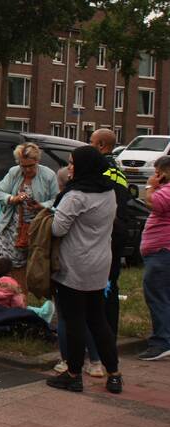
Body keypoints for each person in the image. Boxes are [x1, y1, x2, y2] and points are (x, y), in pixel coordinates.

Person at [46, 145, 123, 394]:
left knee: (74, 321)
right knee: (98, 320)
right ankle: (114, 374)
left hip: (75, 265)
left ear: (83, 166)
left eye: (72, 163)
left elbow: (57, 229)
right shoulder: (109, 192)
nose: (69, 167)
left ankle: (73, 374)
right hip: (100, 264)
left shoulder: (76, 195)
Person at [50, 166, 104, 377]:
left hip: (71, 263)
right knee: (90, 316)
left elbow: (58, 229)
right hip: (98, 262)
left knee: (67, 316)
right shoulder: (105, 194)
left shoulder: (71, 197)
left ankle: (68, 363)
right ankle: (97, 361)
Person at [0, 142, 58, 290]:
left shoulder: (49, 175)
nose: (27, 170)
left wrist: (42, 206)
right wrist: (12, 199)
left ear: (37, 161)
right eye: (23, 166)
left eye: (31, 166)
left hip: (34, 230)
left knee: (21, 268)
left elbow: (57, 200)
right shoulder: (14, 172)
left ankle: (19, 296)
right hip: (9, 228)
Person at [89, 128, 131, 338]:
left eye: (91, 142)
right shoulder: (119, 170)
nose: (89, 145)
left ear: (101, 145)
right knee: (111, 283)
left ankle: (98, 334)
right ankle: (109, 333)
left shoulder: (100, 169)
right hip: (119, 229)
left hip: (105, 232)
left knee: (98, 283)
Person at [138, 155, 170, 361]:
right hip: (161, 252)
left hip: (161, 253)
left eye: (157, 172)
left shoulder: (166, 191)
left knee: (157, 297)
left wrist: (150, 186)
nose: (154, 175)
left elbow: (152, 203)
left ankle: (161, 342)